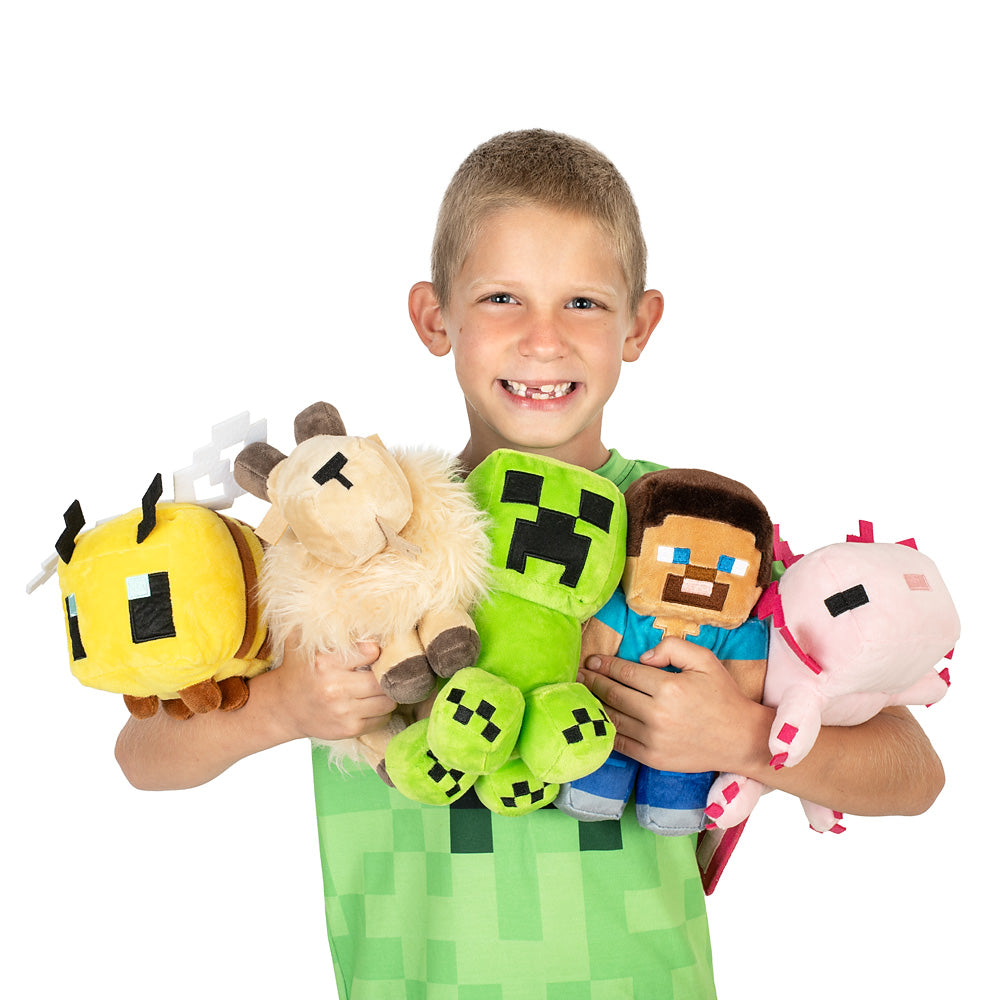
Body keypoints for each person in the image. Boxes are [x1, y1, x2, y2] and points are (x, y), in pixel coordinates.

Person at [116, 129, 945, 998]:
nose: (543, 339)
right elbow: (143, 754)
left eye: (583, 302)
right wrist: (284, 706)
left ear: (639, 324)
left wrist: (740, 736)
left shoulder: (699, 534)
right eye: (502, 297)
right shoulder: (340, 533)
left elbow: (914, 772)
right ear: (435, 317)